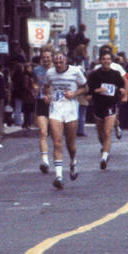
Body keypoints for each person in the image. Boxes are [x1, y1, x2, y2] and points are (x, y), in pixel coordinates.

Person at [41, 50, 87, 188]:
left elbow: (85, 88)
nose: (59, 64)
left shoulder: (75, 71)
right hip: (56, 108)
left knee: (70, 144)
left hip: (71, 109)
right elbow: (46, 86)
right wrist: (47, 96)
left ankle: (73, 161)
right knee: (57, 142)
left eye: (61, 62)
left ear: (66, 61)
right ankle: (59, 176)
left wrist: (74, 93)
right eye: (56, 62)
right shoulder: (50, 73)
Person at [85, 46, 125, 169]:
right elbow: (88, 94)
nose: (106, 61)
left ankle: (104, 157)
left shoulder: (116, 74)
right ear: (100, 60)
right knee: (100, 133)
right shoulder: (94, 75)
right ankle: (104, 148)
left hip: (111, 105)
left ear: (111, 60)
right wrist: (98, 90)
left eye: (108, 59)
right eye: (104, 59)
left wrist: (123, 92)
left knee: (107, 132)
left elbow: (122, 85)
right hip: (98, 106)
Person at [32, 47, 55, 173]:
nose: (46, 59)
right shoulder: (37, 70)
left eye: (48, 57)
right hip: (41, 102)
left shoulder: (56, 69)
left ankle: (57, 159)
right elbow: (34, 83)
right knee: (43, 132)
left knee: (55, 136)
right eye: (44, 57)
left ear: (52, 57)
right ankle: (44, 160)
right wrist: (35, 87)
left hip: (54, 104)